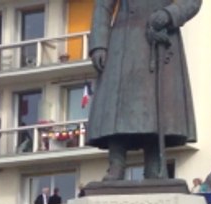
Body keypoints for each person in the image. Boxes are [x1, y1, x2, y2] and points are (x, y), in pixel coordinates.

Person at [86, 0, 201, 181]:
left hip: (161, 37)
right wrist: (98, 44)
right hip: (122, 40)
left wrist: (169, 14)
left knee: (156, 105)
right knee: (118, 106)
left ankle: (155, 166)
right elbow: (102, 6)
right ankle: (116, 164)